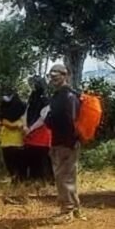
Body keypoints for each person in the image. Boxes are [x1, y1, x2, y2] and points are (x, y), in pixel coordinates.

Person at [44, 64, 83, 220]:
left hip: (67, 142)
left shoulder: (68, 97)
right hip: (60, 141)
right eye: (52, 76)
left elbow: (69, 121)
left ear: (65, 75)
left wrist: (49, 119)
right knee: (67, 176)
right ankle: (74, 209)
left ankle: (67, 211)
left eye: (57, 76)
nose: (54, 79)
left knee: (62, 177)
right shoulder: (59, 96)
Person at [24, 76, 52, 182]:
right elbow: (28, 113)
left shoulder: (45, 99)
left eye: (34, 84)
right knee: (32, 159)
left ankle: (45, 182)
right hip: (31, 134)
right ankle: (33, 181)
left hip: (42, 133)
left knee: (42, 158)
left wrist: (30, 128)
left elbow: (42, 118)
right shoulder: (32, 98)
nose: (32, 86)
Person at [0, 91, 27, 184]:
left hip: (16, 141)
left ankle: (18, 180)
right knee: (11, 163)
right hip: (8, 141)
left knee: (16, 163)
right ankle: (14, 179)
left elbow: (9, 124)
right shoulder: (5, 114)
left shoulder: (21, 111)